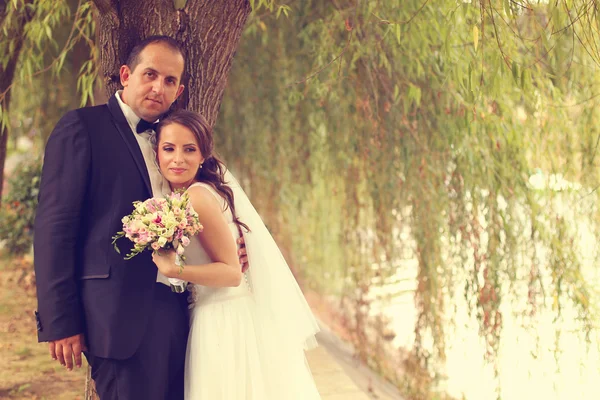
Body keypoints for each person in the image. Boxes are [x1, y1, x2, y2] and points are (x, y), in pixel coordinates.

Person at [33, 36, 247, 400]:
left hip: (182, 312)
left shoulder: (174, 140)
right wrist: (60, 322)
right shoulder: (82, 128)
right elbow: (55, 229)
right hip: (115, 318)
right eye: (150, 74)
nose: (157, 87)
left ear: (179, 90)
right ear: (125, 75)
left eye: (169, 81)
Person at [151, 110, 322, 399]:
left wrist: (175, 270)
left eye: (189, 149)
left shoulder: (197, 197)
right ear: (157, 154)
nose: (177, 159)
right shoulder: (187, 196)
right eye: (169, 149)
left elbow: (231, 273)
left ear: (204, 155)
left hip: (222, 319)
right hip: (227, 314)